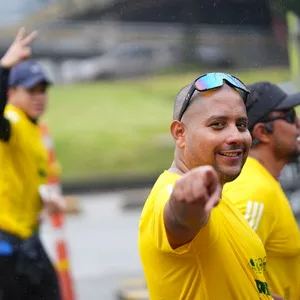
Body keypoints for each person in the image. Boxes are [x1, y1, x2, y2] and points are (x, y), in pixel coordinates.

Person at [138, 73, 276, 299]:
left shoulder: (223, 199)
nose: (236, 136)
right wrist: (186, 200)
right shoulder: (171, 193)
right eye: (218, 125)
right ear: (180, 134)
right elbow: (180, 217)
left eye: (241, 125)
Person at [0, 28, 65, 300]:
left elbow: (35, 177)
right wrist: (4, 67)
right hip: (6, 242)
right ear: (12, 92)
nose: (39, 97)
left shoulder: (33, 127)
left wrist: (47, 200)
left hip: (27, 237)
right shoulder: (11, 123)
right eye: (31, 91)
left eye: (42, 90)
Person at [223, 81, 300, 300]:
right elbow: (230, 276)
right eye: (289, 116)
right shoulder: (253, 191)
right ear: (262, 132)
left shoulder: (263, 182)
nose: (299, 124)